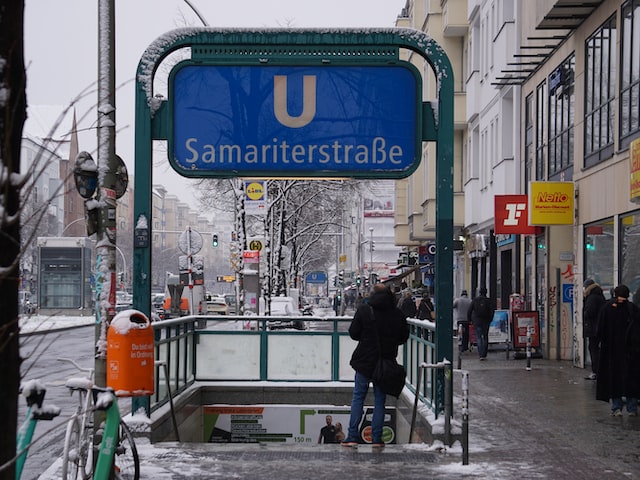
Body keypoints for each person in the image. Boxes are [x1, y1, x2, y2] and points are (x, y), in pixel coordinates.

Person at [342, 283, 409, 448]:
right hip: (385, 363)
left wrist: (367, 339)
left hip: (364, 361)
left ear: (372, 295)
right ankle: (377, 439)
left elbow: (353, 333)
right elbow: (403, 337)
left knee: (358, 397)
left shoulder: (365, 310)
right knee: (380, 400)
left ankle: (352, 436)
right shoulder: (397, 313)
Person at [596, 284, 640, 416]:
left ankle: (616, 408)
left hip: (613, 351)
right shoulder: (633, 309)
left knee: (614, 379)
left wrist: (600, 344)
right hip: (631, 352)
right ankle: (632, 408)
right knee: (632, 380)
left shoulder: (607, 309)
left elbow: (600, 330)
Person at [583, 278, 606, 380]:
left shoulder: (591, 297)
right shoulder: (600, 295)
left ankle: (595, 371)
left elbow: (589, 312)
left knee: (593, 349)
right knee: (597, 349)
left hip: (593, 328)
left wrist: (584, 313)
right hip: (600, 327)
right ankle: (600, 370)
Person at [467, 287, 494, 360]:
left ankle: (480, 354)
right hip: (486, 321)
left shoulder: (475, 300)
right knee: (485, 337)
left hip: (477, 321)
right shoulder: (488, 301)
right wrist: (490, 320)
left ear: (479, 292)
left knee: (478, 337)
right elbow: (492, 311)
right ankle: (484, 353)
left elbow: (469, 310)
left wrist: (470, 320)